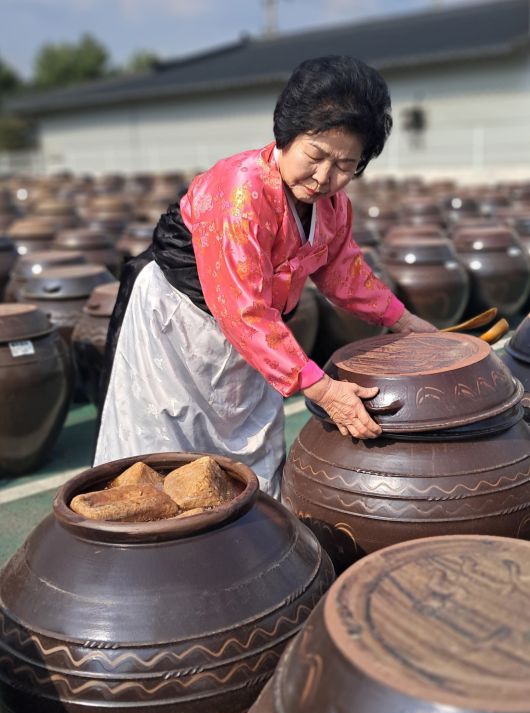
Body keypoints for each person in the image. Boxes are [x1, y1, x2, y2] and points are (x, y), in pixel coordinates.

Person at [94, 55, 436, 497]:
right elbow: (241, 306)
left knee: (248, 458)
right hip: (179, 327)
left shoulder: (334, 206)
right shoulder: (240, 190)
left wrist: (405, 322)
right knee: (165, 454)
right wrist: (323, 388)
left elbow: (342, 271)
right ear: (287, 136)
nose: (324, 177)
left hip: (257, 335)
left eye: (345, 166)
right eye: (316, 155)